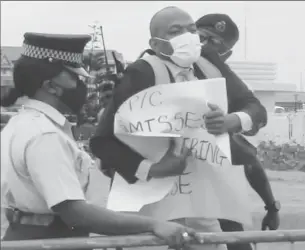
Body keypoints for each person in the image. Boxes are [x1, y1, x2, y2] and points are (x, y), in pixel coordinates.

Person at [0, 32, 201, 248]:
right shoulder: (44, 135)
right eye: (75, 77)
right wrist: (154, 225)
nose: (82, 85)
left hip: (38, 236)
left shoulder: (22, 123)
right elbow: (75, 212)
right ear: (50, 86)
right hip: (50, 241)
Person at [90, 6, 268, 250]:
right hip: (152, 210)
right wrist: (152, 169)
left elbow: (254, 108)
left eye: (191, 29)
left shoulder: (208, 65)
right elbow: (102, 141)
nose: (188, 36)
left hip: (204, 205)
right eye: (176, 31)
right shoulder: (142, 72)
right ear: (157, 43)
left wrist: (233, 120)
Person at [196, 13, 280, 250]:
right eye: (200, 37)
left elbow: (255, 112)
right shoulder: (150, 67)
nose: (204, 45)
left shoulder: (218, 75)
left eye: (212, 42)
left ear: (224, 52)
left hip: (209, 191)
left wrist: (231, 121)